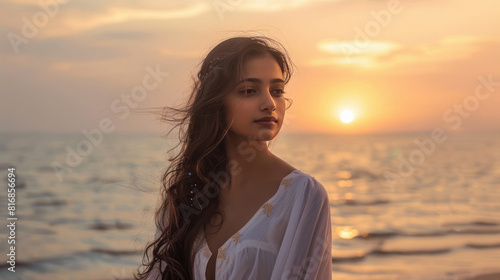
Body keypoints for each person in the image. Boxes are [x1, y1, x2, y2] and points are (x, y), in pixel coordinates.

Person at [135, 36, 332, 280]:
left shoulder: (303, 194)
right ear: (217, 101)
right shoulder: (187, 191)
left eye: (277, 91)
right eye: (250, 90)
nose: (270, 103)